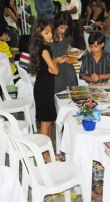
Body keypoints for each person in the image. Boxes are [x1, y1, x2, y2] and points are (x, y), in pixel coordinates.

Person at [29, 19, 67, 157]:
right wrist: (54, 66)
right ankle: (43, 156)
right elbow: (55, 71)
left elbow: (49, 67)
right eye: (46, 33)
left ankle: (48, 153)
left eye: (50, 31)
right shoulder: (44, 50)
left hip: (45, 88)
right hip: (44, 90)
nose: (50, 35)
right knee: (45, 124)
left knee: (49, 121)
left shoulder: (44, 47)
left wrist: (54, 62)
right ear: (39, 35)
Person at [51, 12, 78, 93]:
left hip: (68, 71)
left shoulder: (67, 35)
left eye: (66, 28)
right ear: (56, 25)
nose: (63, 31)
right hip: (56, 72)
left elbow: (68, 50)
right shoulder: (49, 36)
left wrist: (71, 55)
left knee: (72, 95)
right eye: (61, 28)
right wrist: (55, 60)